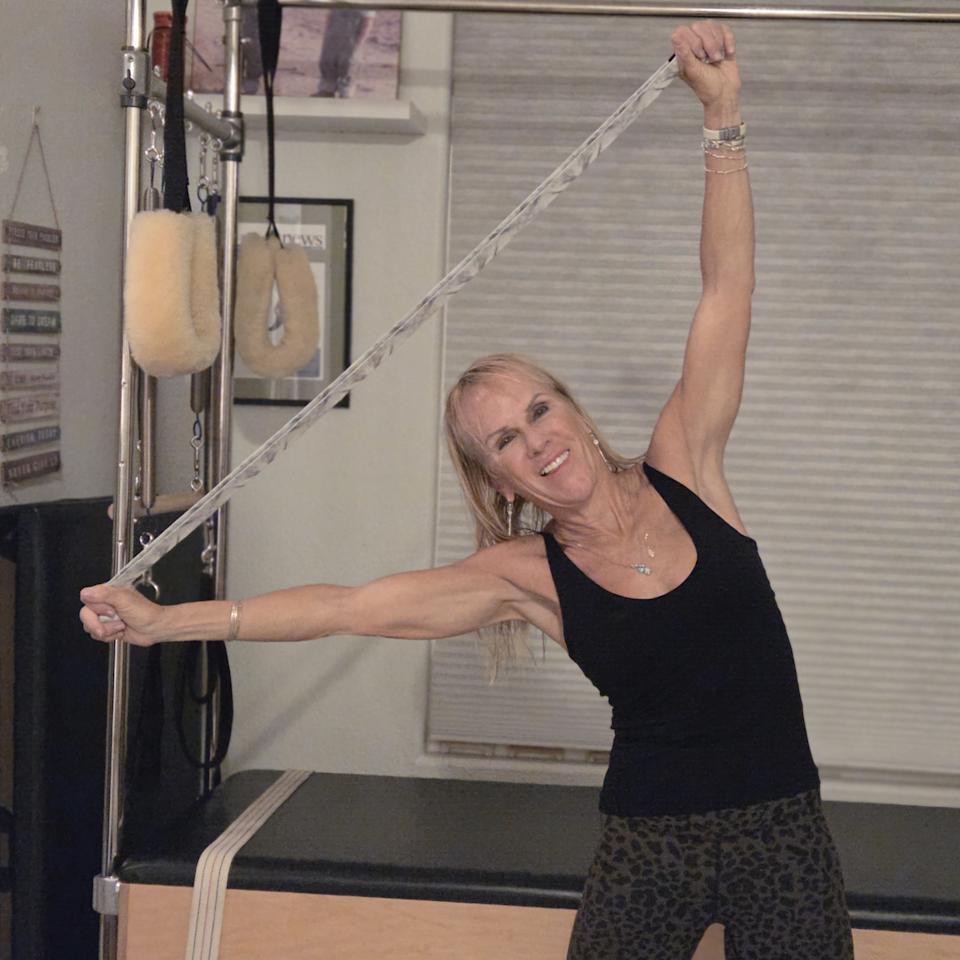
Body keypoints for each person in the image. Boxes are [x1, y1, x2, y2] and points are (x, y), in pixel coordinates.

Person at [81, 21, 854, 959]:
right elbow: (346, 606)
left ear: (570, 407)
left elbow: (725, 290)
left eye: (538, 410)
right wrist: (168, 623)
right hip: (651, 841)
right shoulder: (522, 573)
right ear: (498, 477)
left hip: (783, 828)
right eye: (505, 440)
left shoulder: (686, 462)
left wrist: (723, 122)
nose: (537, 441)